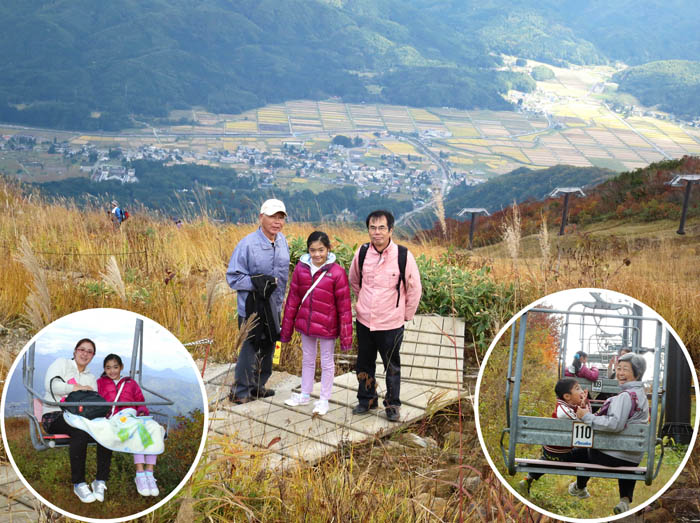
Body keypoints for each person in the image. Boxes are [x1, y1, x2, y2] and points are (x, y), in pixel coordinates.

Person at [349, 210, 422, 421]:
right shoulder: (362, 253)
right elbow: (354, 280)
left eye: (382, 228)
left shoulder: (403, 256)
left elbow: (414, 288)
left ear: (391, 230)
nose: (377, 232)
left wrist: (405, 315)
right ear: (368, 230)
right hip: (364, 321)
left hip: (391, 322)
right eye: (373, 228)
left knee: (392, 365)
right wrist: (362, 302)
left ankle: (392, 405)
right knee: (364, 363)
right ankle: (367, 399)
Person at [280, 231, 353, 415]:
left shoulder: (337, 272)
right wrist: (286, 331)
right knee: (308, 359)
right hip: (306, 324)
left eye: (321, 250)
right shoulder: (301, 269)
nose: (317, 254)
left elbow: (344, 307)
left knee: (327, 362)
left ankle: (324, 399)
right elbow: (292, 300)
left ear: (329, 249)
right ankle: (305, 395)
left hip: (328, 326)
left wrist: (346, 338)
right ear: (308, 250)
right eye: (313, 250)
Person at [226, 199, 290, 404]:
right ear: (261, 217)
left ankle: (258, 386)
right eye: (272, 216)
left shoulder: (283, 242)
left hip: (274, 307)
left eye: (281, 217)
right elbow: (233, 277)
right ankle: (241, 391)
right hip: (251, 308)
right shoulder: (247, 244)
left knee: (269, 346)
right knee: (250, 347)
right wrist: (256, 283)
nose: (277, 222)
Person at [570, 352, 650, 515]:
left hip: (610, 457)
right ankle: (624, 500)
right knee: (624, 453)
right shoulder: (642, 396)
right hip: (632, 459)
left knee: (583, 452)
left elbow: (614, 424)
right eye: (619, 368)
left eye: (625, 369)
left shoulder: (625, 397)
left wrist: (587, 416)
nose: (620, 373)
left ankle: (579, 487)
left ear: (637, 373)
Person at [41, 338, 112, 503]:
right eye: (82, 349)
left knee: (106, 430)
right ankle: (79, 483)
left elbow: (92, 404)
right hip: (55, 415)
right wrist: (76, 388)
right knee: (79, 431)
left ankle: (100, 480)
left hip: (80, 417)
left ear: (92, 356)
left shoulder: (91, 378)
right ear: (75, 351)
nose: (85, 354)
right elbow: (51, 385)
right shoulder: (62, 364)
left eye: (89, 352)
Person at [97, 354, 159, 497]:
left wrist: (142, 412)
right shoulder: (100, 383)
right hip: (116, 418)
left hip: (132, 415)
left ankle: (149, 472)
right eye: (108, 368)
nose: (112, 371)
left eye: (115, 367)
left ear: (121, 367)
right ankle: (140, 472)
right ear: (104, 369)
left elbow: (140, 401)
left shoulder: (130, 383)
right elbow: (96, 401)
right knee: (138, 430)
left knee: (154, 428)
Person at [517, 378, 590, 495]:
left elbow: (586, 416)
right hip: (562, 454)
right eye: (578, 389)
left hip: (550, 452)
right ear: (567, 396)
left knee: (547, 459)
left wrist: (583, 404)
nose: (581, 391)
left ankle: (527, 479)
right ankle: (580, 487)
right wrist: (579, 416)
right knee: (587, 455)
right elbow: (583, 420)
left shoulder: (569, 406)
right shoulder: (563, 408)